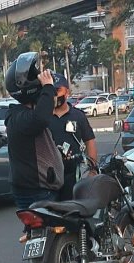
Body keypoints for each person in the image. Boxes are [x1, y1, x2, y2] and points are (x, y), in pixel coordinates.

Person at [5, 52, 65, 263]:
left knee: (40, 237)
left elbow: (42, 113)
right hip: (34, 188)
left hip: (36, 186)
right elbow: (42, 116)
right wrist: (48, 87)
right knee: (41, 237)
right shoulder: (22, 118)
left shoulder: (19, 116)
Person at [49, 73, 97, 201]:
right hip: (48, 177)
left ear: (67, 92)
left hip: (72, 175)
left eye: (58, 90)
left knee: (71, 214)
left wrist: (92, 170)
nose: (55, 95)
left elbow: (90, 141)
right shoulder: (42, 117)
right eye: (52, 91)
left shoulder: (78, 116)